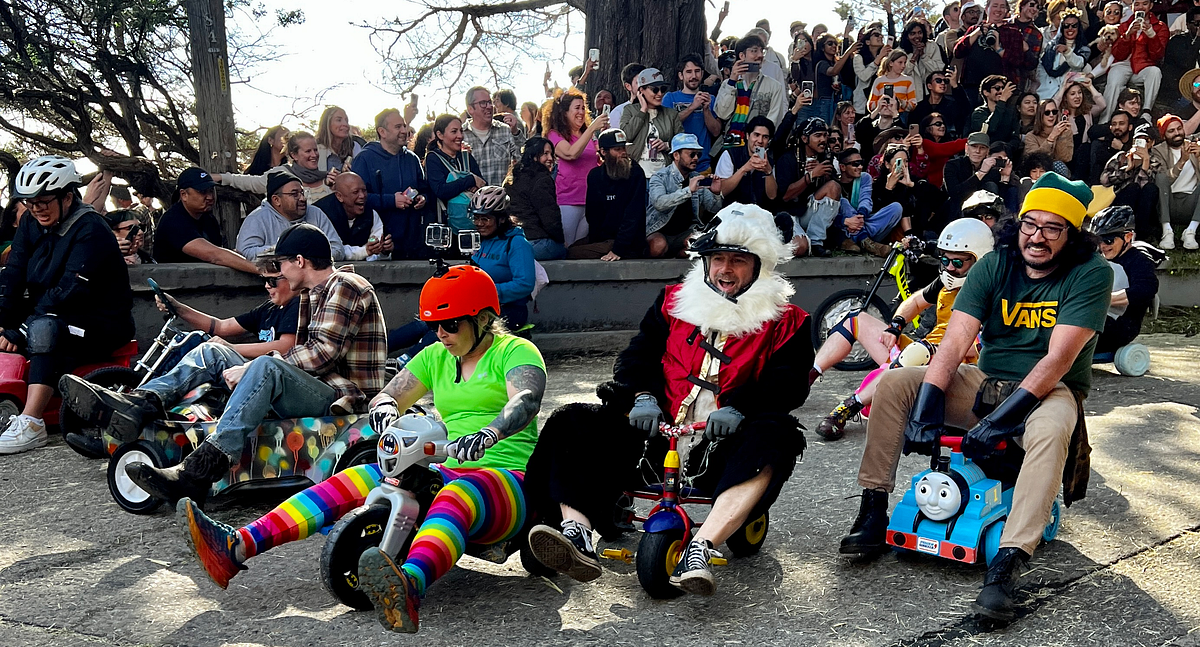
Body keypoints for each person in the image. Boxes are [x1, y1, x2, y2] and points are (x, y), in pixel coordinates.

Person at [174, 265, 545, 634]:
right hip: (444, 467)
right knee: (356, 478)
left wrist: (491, 433)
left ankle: (408, 587)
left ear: (483, 318)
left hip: (508, 480)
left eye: (451, 324)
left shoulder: (515, 351)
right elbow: (390, 394)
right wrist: (384, 407)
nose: (441, 333)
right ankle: (236, 546)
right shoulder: (437, 356)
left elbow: (525, 399)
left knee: (458, 493)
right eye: (435, 325)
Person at [840, 172, 1110, 623]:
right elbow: (954, 342)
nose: (1037, 237)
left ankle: (1007, 564)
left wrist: (998, 422)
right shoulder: (995, 264)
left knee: (1050, 430)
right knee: (894, 384)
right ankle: (872, 510)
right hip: (986, 377)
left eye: (1052, 228)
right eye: (1030, 224)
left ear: (1072, 235)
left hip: (1050, 389)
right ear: (1018, 224)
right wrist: (926, 404)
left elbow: (1057, 360)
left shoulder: (1091, 273)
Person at [523, 205, 812, 597]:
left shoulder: (789, 321)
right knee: (571, 420)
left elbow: (789, 382)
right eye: (718, 259)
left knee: (777, 438)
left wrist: (740, 407)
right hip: (654, 434)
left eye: (738, 261)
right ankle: (577, 533)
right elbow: (637, 355)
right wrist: (643, 396)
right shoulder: (672, 301)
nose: (725, 270)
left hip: (726, 445)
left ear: (759, 265)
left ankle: (701, 549)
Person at [88, 224, 386, 504]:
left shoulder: (345, 285)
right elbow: (224, 328)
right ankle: (141, 404)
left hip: (343, 397)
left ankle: (198, 472)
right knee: (214, 351)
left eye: (280, 264)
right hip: (319, 386)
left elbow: (322, 354)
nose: (278, 273)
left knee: (265, 366)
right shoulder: (313, 293)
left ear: (299, 261)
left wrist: (252, 367)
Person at [811, 217, 994, 440]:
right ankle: (809, 376)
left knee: (917, 352)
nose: (948, 267)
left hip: (954, 369)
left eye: (957, 262)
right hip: (921, 354)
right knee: (856, 319)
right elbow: (915, 302)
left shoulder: (994, 293)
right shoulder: (945, 283)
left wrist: (936, 350)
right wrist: (896, 326)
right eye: (945, 259)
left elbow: (983, 348)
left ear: (979, 260)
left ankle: (847, 408)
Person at [0, 156, 134, 454]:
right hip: (50, 313)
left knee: (44, 329)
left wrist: (21, 330)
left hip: (100, 322)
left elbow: (70, 290)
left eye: (44, 201)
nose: (37, 209)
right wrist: (4, 322)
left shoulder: (91, 229)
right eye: (30, 203)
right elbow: (14, 273)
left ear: (67, 197)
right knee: (31, 323)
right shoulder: (31, 223)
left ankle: (32, 423)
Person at [352, 108, 431, 260]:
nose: (404, 131)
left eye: (404, 126)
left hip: (411, 244)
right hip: (377, 246)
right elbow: (356, 199)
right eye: (398, 127)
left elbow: (424, 189)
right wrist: (391, 200)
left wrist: (422, 198)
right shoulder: (364, 159)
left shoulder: (412, 159)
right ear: (382, 131)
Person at [154, 168, 258, 273]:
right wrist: (259, 270)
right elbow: (214, 255)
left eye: (211, 190)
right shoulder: (173, 221)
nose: (210, 197)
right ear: (184, 195)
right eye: (202, 192)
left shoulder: (208, 219)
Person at [1089, 205, 1161, 355]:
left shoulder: (1139, 260)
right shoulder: (1096, 257)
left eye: (1108, 240)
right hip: (1094, 318)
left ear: (1128, 237)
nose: (1102, 246)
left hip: (1118, 327)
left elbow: (1146, 289)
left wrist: (1101, 299)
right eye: (1098, 240)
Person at [236, 171, 346, 262]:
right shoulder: (257, 219)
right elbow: (245, 253)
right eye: (294, 194)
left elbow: (337, 249)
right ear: (276, 200)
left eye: (302, 193)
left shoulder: (316, 213)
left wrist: (308, 257)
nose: (303, 198)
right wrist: (284, 251)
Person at [546, 88, 609, 247]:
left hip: (590, 199)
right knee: (566, 244)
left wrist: (605, 137)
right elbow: (570, 154)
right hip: (568, 200)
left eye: (583, 108)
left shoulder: (589, 135)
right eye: (577, 108)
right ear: (564, 113)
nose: (581, 112)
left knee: (579, 248)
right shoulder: (554, 134)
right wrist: (592, 128)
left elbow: (601, 159)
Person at [572, 128, 648, 260]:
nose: (623, 153)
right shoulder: (595, 176)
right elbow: (592, 215)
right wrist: (596, 241)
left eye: (624, 148)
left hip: (628, 243)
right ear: (603, 152)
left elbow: (633, 215)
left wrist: (617, 249)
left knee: (572, 254)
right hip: (604, 239)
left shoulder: (636, 173)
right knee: (571, 249)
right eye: (617, 149)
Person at [646, 134, 723, 258]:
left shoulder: (696, 177)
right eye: (691, 154)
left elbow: (714, 208)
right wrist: (688, 191)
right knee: (658, 245)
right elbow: (659, 203)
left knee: (698, 244)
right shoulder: (660, 176)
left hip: (685, 232)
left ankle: (676, 256)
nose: (696, 158)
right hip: (658, 231)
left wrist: (716, 193)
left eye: (698, 154)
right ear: (676, 155)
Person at [776, 117, 842, 257]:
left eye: (825, 135)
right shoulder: (788, 158)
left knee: (834, 187)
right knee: (799, 248)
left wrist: (824, 174)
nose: (823, 140)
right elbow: (785, 196)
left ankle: (816, 241)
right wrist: (810, 176)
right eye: (817, 136)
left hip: (808, 211)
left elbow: (834, 191)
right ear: (805, 138)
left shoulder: (825, 157)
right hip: (788, 214)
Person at [213, 132, 334, 203]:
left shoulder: (328, 177)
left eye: (315, 150)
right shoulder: (281, 174)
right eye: (308, 151)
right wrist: (222, 177)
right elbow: (252, 182)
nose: (314, 155)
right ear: (294, 155)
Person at [715, 34, 787, 150]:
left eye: (762, 51)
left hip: (757, 147)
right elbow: (723, 114)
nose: (760, 55)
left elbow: (772, 121)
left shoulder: (774, 86)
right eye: (754, 51)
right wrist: (732, 81)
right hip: (731, 145)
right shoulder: (728, 84)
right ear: (742, 56)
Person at [1101, 0, 1167, 122]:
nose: (1140, 7)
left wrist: (1152, 35)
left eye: (1144, 4)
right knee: (1114, 82)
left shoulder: (1160, 26)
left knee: (1155, 72)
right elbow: (1118, 54)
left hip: (1143, 65)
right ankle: (1104, 121)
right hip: (1123, 64)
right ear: (1131, 7)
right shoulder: (1124, 25)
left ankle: (1146, 112)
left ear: (1151, 5)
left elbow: (1157, 56)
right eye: (1137, 4)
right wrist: (1127, 34)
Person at [835, 148, 905, 257]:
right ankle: (864, 241)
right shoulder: (834, 184)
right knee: (844, 203)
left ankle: (863, 240)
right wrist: (847, 221)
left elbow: (866, 199)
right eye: (855, 164)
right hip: (843, 228)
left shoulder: (864, 177)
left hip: (863, 222)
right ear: (842, 167)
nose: (860, 167)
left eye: (861, 163)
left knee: (896, 208)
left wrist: (860, 216)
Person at [506, 137, 567, 260]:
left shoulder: (513, 177)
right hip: (536, 242)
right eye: (545, 154)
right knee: (564, 250)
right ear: (533, 156)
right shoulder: (542, 180)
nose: (550, 158)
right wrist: (561, 240)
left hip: (513, 242)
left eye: (551, 154)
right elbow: (550, 217)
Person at [425, 114, 486, 236]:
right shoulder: (433, 159)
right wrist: (470, 180)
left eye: (461, 131)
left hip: (472, 228)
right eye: (454, 131)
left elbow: (482, 185)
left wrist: (460, 186)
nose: (460, 136)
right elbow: (441, 190)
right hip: (446, 230)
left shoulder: (466, 157)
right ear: (440, 135)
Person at [665, 55, 724, 173]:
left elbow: (716, 131)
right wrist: (693, 106)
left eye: (697, 71)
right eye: (689, 72)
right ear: (681, 75)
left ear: (702, 74)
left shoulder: (711, 98)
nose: (694, 76)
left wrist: (706, 109)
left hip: (703, 166)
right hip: (676, 166)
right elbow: (667, 125)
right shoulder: (670, 98)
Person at [313, 173, 391, 261]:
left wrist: (383, 251)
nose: (362, 196)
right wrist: (364, 251)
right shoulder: (320, 214)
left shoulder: (371, 214)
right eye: (355, 192)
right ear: (339, 196)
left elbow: (374, 254)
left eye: (364, 190)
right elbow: (330, 251)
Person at [621, 67, 684, 177]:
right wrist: (643, 111)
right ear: (641, 90)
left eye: (663, 89)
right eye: (655, 90)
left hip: (664, 174)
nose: (660, 94)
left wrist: (667, 145)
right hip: (636, 174)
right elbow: (625, 136)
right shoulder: (629, 110)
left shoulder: (671, 114)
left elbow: (682, 143)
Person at [942, 133, 1020, 220]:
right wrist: (981, 173)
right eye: (974, 146)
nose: (977, 151)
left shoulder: (992, 170)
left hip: (985, 212)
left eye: (982, 148)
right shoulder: (953, 165)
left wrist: (1005, 177)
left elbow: (999, 200)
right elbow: (955, 194)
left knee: (1003, 188)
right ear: (967, 148)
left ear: (987, 151)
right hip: (956, 212)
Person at [1151, 114, 1200, 249]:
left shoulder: (1194, 145)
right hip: (1168, 203)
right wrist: (1182, 161)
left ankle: (1191, 231)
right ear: (1164, 135)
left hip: (1192, 204)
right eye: (1171, 131)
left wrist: (1199, 158)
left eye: (1179, 129)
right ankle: (1167, 231)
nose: (1177, 133)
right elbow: (1163, 180)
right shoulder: (1158, 151)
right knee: (1160, 177)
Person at [462, 86, 526, 186]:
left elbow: (523, 160)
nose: (489, 106)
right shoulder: (461, 135)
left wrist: (515, 133)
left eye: (490, 102)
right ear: (470, 109)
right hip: (472, 195)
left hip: (502, 194)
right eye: (483, 103)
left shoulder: (505, 130)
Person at [714, 115, 779, 212]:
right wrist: (744, 168)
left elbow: (772, 196)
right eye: (756, 135)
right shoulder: (730, 154)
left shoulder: (769, 161)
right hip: (732, 212)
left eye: (765, 137)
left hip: (759, 213)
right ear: (748, 136)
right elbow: (722, 191)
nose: (760, 141)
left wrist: (768, 172)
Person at [1055, 77, 1107, 180]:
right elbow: (1052, 105)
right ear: (1065, 98)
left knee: (1086, 147)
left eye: (1079, 93)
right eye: (1072, 94)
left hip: (1084, 158)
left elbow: (1102, 105)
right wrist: (1063, 88)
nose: (1077, 96)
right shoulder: (1060, 114)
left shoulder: (1087, 112)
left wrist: (1090, 86)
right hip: (1067, 157)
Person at [1037, 10, 1090, 99]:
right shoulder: (1051, 46)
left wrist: (1067, 51)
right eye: (1066, 26)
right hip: (1047, 91)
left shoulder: (1084, 49)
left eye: (1074, 26)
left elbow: (1079, 64)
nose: (1070, 29)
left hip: (1068, 93)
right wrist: (1043, 83)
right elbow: (1042, 65)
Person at [900, 19, 946, 103]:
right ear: (907, 36)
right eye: (913, 34)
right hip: (910, 95)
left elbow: (938, 69)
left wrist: (924, 56)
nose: (917, 36)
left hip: (931, 94)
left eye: (919, 33)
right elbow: (903, 73)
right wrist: (914, 57)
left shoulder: (932, 46)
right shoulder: (900, 51)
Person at [910, 70, 965, 137]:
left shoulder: (952, 104)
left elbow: (965, 108)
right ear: (929, 86)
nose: (943, 83)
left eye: (945, 81)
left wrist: (955, 85)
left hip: (947, 140)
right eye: (938, 81)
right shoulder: (920, 107)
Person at [1024, 98, 1075, 168]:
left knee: (1058, 165)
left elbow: (1065, 158)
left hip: (1059, 170)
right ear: (1040, 115)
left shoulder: (1065, 132)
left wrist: (1063, 136)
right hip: (1039, 170)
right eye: (1047, 113)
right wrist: (1051, 138)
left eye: (1054, 112)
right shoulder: (1030, 136)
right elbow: (1035, 159)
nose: (1051, 115)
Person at [921, 112, 967, 187]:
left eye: (943, 124)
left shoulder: (945, 142)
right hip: (929, 187)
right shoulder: (924, 143)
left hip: (944, 186)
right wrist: (970, 140)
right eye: (938, 124)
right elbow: (942, 149)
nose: (942, 126)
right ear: (927, 128)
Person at [1164, 10, 1200, 103]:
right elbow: (1187, 63)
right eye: (1197, 23)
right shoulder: (1177, 41)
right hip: (1179, 93)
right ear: (1187, 25)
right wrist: (1198, 39)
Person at [1089, 109, 1134, 184]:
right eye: (1114, 124)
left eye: (1121, 124)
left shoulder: (1134, 144)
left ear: (1130, 127)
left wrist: (1122, 148)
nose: (1117, 127)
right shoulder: (1105, 145)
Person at [315, 106, 362, 176]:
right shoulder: (315, 149)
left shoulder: (354, 146)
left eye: (346, 121)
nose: (345, 124)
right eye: (339, 120)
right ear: (327, 124)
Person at [867, 50, 919, 115]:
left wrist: (900, 101)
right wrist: (882, 102)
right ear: (891, 63)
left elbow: (913, 104)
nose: (903, 66)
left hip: (901, 114)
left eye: (905, 62)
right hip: (882, 114)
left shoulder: (908, 80)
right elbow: (870, 105)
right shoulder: (879, 81)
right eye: (900, 62)